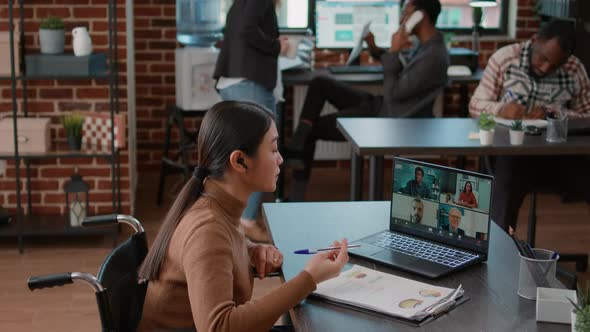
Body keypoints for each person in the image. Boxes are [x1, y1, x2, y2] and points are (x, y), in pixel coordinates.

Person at [138, 101, 349, 332]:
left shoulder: (216, 204)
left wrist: (250, 250)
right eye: (273, 149)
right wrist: (308, 279)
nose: (280, 159)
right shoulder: (207, 229)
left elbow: (222, 246)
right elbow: (220, 327)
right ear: (239, 161)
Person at [284, 0, 449, 201]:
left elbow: (394, 92)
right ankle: (297, 144)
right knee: (320, 83)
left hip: (389, 117)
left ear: (419, 16)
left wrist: (395, 50)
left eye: (406, 12)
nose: (402, 18)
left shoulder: (434, 56)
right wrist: (376, 49)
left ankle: (295, 196)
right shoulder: (424, 46)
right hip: (382, 106)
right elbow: (401, 75)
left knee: (313, 128)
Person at [469, 19, 590, 232]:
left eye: (554, 65)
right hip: (516, 153)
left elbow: (587, 115)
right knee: (506, 185)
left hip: (560, 154)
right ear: (534, 40)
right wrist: (501, 109)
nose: (545, 68)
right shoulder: (505, 58)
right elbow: (475, 105)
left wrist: (556, 113)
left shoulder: (574, 69)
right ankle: (500, 251)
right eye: (543, 58)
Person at [213, 0, 291, 235]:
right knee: (262, 153)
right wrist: (277, 46)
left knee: (243, 155)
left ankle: (236, 220)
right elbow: (249, 30)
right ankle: (245, 220)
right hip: (250, 83)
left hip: (236, 81)